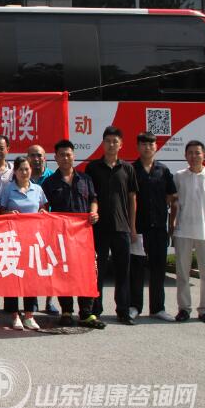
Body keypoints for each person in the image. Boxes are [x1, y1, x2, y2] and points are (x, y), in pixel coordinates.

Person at [41, 139, 104, 329]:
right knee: (64, 272)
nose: (65, 158)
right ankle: (66, 311)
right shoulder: (50, 182)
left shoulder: (85, 179)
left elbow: (93, 199)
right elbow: (44, 206)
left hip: (83, 235)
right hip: (60, 236)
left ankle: (86, 313)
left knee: (85, 273)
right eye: (61, 155)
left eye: (68, 154)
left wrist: (94, 212)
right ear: (55, 158)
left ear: (73, 156)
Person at [85, 126, 139, 325]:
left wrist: (133, 227)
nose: (111, 144)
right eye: (108, 141)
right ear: (103, 143)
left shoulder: (127, 169)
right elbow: (90, 197)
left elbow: (132, 199)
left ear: (121, 144)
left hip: (122, 227)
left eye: (115, 141)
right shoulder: (93, 168)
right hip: (99, 228)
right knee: (97, 271)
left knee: (123, 271)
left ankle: (123, 310)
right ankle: (95, 309)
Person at [131, 132, 177, 322]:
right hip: (139, 228)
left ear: (156, 147)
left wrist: (170, 224)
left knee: (158, 269)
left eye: (151, 144)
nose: (147, 147)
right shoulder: (131, 169)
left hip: (158, 227)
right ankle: (134, 306)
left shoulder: (163, 170)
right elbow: (130, 198)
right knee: (136, 268)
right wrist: (132, 228)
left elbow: (171, 196)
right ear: (137, 147)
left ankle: (158, 308)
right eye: (143, 144)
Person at [0, 156, 48, 331]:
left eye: (27, 169)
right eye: (21, 169)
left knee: (30, 279)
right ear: (15, 172)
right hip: (13, 239)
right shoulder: (8, 189)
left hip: (32, 240)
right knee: (13, 278)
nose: (24, 172)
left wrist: (42, 212)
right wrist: (8, 213)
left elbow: (44, 208)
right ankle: (14, 315)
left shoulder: (38, 189)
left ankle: (29, 315)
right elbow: (0, 211)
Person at [171, 140, 205, 325]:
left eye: (197, 152)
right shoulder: (179, 176)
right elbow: (174, 202)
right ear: (185, 156)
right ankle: (184, 308)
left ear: (204, 155)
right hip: (183, 230)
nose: (194, 156)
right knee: (182, 272)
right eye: (190, 153)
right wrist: (172, 224)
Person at [28, 143, 57, 314]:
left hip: (50, 227)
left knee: (50, 265)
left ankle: (49, 301)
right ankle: (32, 301)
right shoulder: (23, 176)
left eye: (39, 155)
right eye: (32, 155)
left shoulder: (52, 177)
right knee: (31, 265)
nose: (36, 159)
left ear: (45, 158)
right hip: (29, 229)